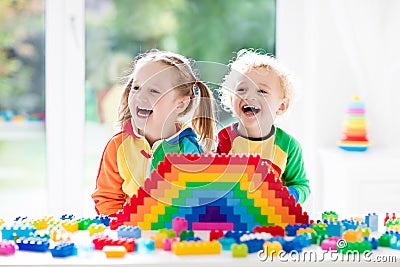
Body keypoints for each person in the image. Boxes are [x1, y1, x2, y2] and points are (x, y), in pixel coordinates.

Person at [92, 49, 215, 216]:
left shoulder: (189, 150)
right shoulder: (117, 146)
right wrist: (121, 226)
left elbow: (197, 203)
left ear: (181, 103)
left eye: (154, 91)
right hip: (128, 234)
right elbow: (107, 198)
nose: (140, 97)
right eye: (136, 87)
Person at [217, 49, 310, 204]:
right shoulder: (222, 139)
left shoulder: (288, 146)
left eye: (262, 91)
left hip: (272, 218)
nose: (249, 96)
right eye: (241, 89)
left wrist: (285, 194)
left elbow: (301, 186)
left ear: (281, 106)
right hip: (233, 217)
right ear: (231, 98)